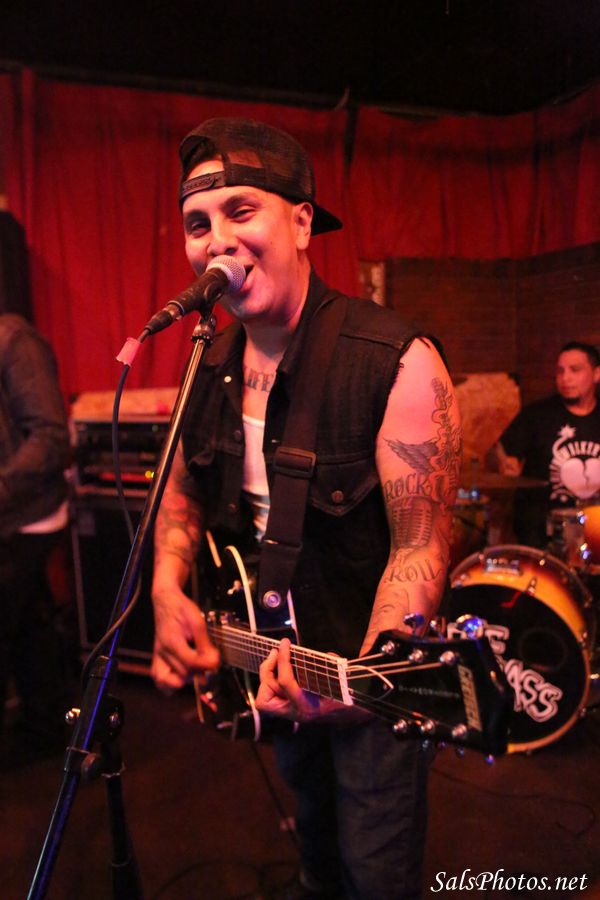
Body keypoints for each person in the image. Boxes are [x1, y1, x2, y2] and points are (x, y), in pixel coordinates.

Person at [150, 118, 461, 900]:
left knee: (375, 871)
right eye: (198, 223)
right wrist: (165, 586)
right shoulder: (208, 361)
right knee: (315, 846)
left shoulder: (397, 362)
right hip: (266, 662)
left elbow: (420, 547)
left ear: (300, 222)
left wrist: (367, 682)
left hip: (360, 679)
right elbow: (182, 489)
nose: (217, 240)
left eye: (240, 210)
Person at [0, 313, 71, 768]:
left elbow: (50, 438)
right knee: (29, 626)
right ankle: (42, 728)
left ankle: (43, 728)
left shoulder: (13, 340)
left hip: (27, 515)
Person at [492, 342, 600, 549]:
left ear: (596, 374)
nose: (565, 378)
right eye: (560, 371)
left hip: (596, 530)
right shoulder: (536, 416)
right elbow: (500, 453)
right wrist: (505, 463)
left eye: (575, 370)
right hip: (541, 534)